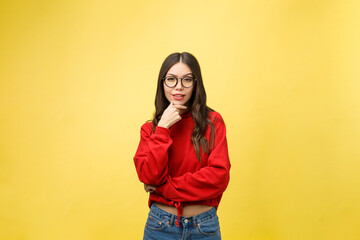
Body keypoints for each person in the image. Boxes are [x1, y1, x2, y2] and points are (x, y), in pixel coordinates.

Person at [133, 52, 231, 240]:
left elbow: (218, 177)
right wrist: (163, 128)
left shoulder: (213, 122)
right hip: (160, 226)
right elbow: (149, 176)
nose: (179, 86)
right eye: (171, 79)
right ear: (162, 83)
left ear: (196, 84)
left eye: (187, 80)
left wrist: (163, 188)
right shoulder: (150, 130)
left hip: (204, 226)